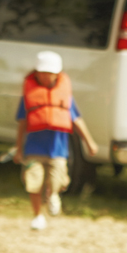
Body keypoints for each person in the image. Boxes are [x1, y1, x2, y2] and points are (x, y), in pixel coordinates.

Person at [14, 50, 98, 230]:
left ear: (58, 74)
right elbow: (22, 123)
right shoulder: (29, 96)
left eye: (50, 73)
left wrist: (89, 142)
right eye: (43, 73)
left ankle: (53, 195)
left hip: (58, 151)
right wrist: (19, 148)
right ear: (35, 73)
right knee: (33, 182)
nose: (46, 77)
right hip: (33, 150)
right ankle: (37, 216)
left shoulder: (64, 96)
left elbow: (77, 120)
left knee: (57, 182)